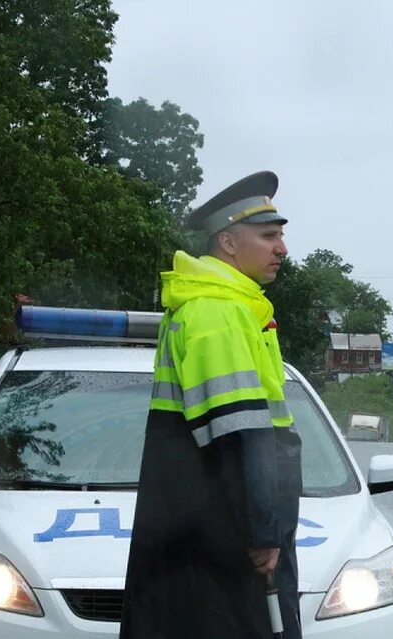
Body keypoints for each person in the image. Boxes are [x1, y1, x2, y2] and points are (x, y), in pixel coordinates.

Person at [121, 171, 303, 639]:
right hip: (226, 539)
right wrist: (262, 532)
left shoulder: (226, 306)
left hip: (208, 530)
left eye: (281, 235)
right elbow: (240, 434)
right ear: (227, 242)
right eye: (269, 236)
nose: (282, 248)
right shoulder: (218, 312)